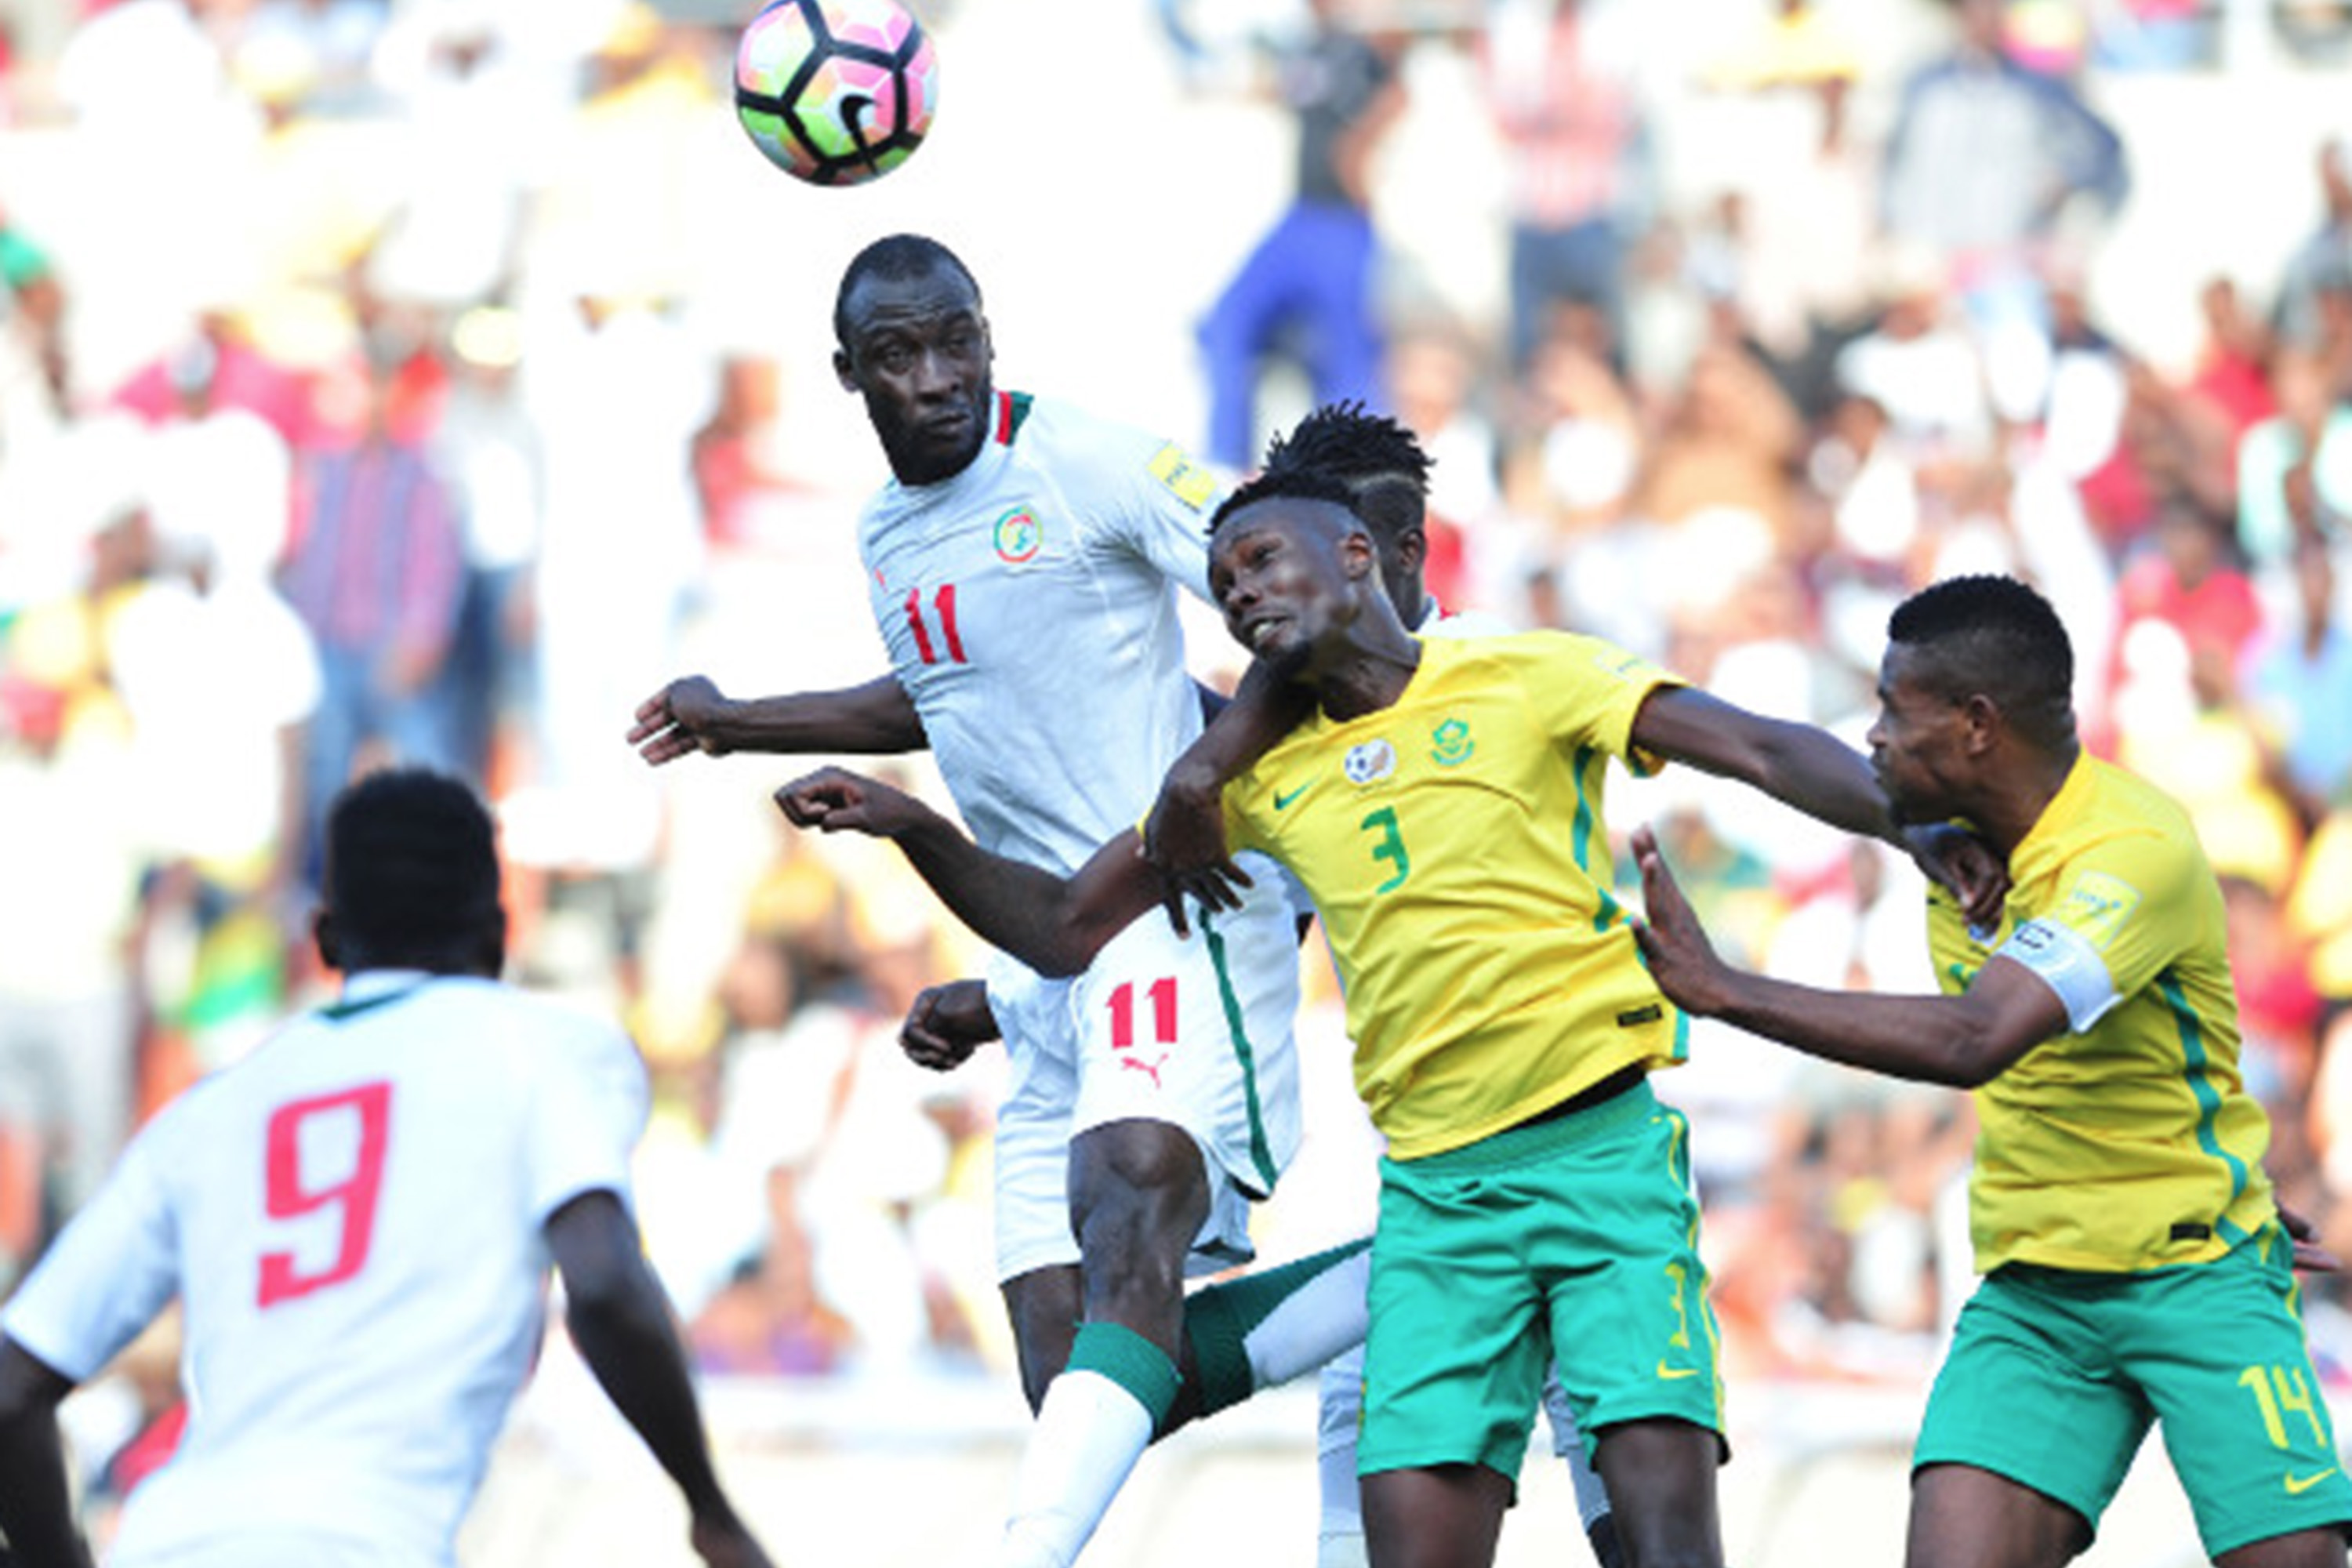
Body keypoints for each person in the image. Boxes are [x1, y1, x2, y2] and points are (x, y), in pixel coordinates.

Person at [772, 466, 1996, 1568]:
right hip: (1437, 1203)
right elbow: (1065, 927)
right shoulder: (1249, 778)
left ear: (1361, 553)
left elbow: (1762, 750)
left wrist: (1917, 824)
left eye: (1261, 562)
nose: (1240, 593)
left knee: (1666, 1544)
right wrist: (914, 824)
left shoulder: (1527, 673)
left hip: (1603, 1165)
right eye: (1222, 581)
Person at [627, 234, 1367, 1568]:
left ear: (987, 334)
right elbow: (945, 684)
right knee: (1076, 1363)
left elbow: (1281, 559)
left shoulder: (1080, 462)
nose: (939, 376)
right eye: (900, 356)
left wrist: (1210, 775)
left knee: (1129, 1185)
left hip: (1175, 909)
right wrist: (745, 722)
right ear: (851, 376)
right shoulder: (888, 535)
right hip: (1048, 958)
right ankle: (1388, 1284)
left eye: (957, 338)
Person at [894, 401, 1625, 1568]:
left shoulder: (1508, 676)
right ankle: (1406, 1268)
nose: (1367, 576)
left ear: (1401, 550)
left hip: (1585, 1143)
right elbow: (1185, 897)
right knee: (1338, 1433)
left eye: (1388, 545)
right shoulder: (1244, 740)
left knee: (1636, 1501)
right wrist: (998, 998)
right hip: (1409, 1152)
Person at [1628, 574, 2352, 1568]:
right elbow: (1779, 752)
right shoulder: (1951, 828)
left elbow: (1978, 1036)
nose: (1875, 734)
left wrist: (1725, 991)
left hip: (2197, 1270)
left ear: (1977, 724)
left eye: (1894, 708)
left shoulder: (2130, 850)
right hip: (2037, 1295)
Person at [0, 768, 772, 1568]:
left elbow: (13, 1385)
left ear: (327, 938)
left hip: (171, 1540)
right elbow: (606, 1282)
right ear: (498, 932)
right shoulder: (545, 1049)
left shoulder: (205, 1113)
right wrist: (707, 1505)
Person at [1195, 0, 1406, 471]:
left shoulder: (1366, 48)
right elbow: (1273, 86)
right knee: (1225, 322)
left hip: (1344, 222)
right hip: (1300, 215)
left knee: (1347, 355)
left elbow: (1396, 90)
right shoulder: (1311, 48)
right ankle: (1225, 463)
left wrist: (1363, 145)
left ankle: (1355, 475)